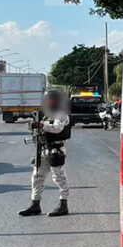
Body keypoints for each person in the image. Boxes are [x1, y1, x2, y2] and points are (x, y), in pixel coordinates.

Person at [19, 89, 72, 217]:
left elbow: (57, 128)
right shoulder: (46, 114)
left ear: (57, 100)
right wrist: (33, 126)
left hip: (56, 150)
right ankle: (35, 204)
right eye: (47, 99)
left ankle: (63, 205)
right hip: (43, 149)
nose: (49, 102)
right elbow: (40, 129)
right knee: (37, 177)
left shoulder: (61, 114)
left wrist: (41, 125)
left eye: (51, 99)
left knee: (59, 178)